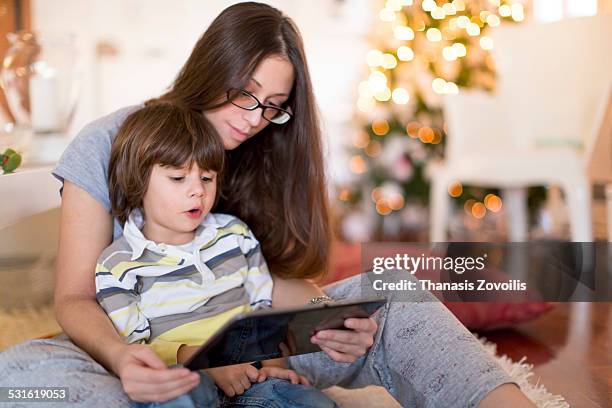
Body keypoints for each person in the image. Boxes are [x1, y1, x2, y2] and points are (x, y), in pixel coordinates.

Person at [0, 2, 535, 407]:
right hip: (145, 350)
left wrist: (330, 320)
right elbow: (73, 299)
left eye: (274, 107)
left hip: (248, 341)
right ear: (213, 67)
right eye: (245, 93)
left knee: (393, 298)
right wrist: (124, 359)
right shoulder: (110, 140)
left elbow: (262, 285)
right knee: (22, 374)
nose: (254, 118)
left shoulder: (265, 149)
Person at [95, 102, 336, 407]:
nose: (198, 191)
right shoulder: (117, 265)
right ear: (138, 179)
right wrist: (201, 359)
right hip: (187, 377)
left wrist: (275, 366)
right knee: (176, 397)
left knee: (314, 403)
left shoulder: (234, 235)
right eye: (178, 178)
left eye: (207, 178)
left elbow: (262, 308)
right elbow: (135, 346)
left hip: (251, 377)